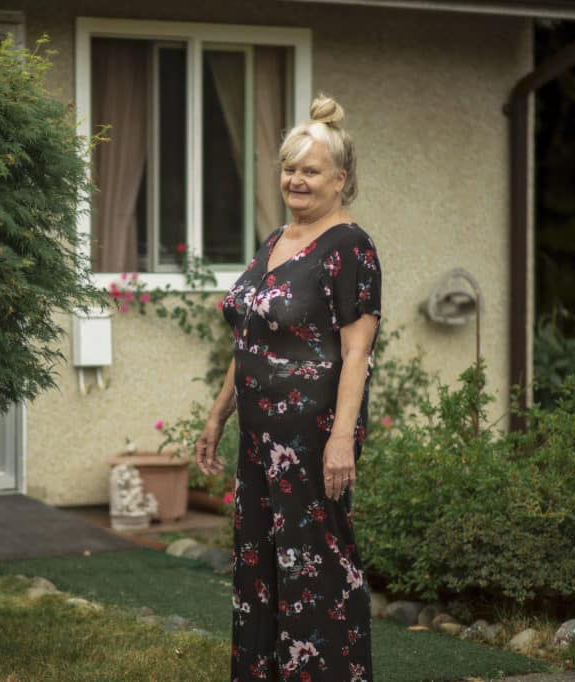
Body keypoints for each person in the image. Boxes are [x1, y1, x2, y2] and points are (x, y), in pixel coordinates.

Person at [197, 94, 381, 682]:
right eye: (289, 168)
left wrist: (342, 440)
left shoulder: (351, 247)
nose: (296, 180)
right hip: (259, 442)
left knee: (314, 570)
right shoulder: (275, 238)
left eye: (311, 170)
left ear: (340, 179)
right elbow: (249, 334)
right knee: (258, 570)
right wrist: (219, 414)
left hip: (310, 440)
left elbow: (357, 351)